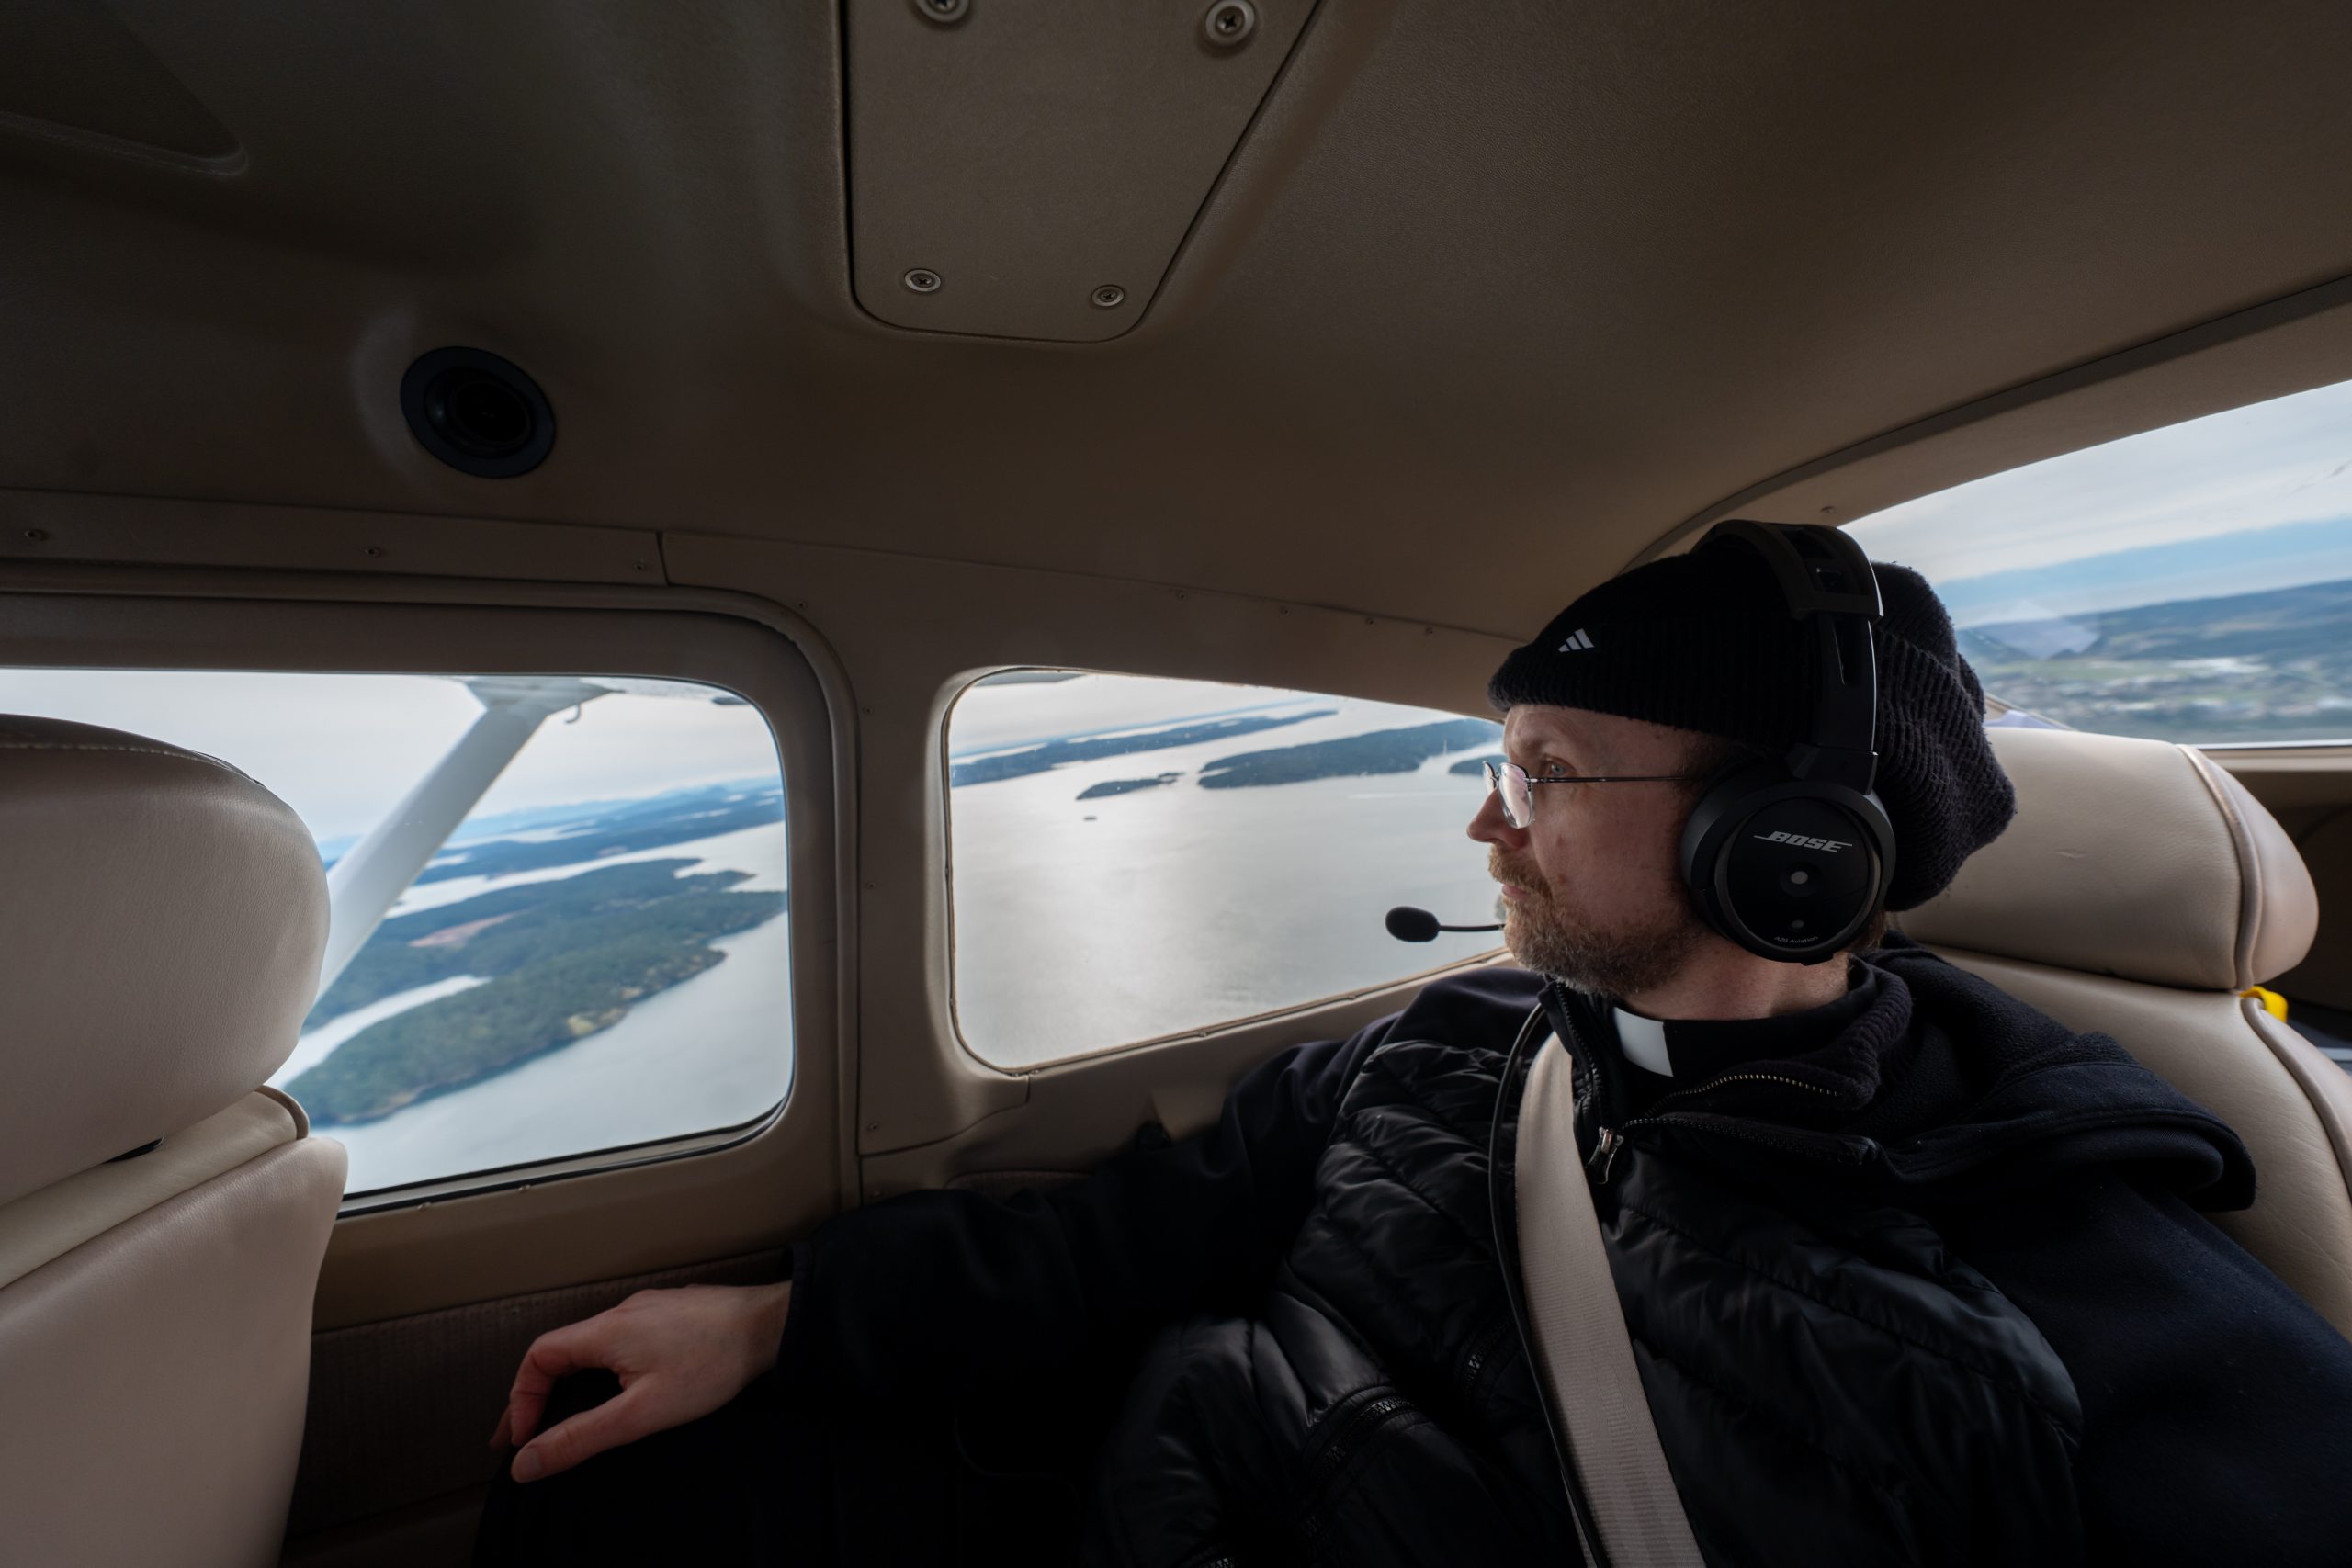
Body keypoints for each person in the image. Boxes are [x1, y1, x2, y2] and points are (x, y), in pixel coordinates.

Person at [476, 527, 2352, 1566]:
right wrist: (777, 1317)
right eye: (1496, 764)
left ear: (1781, 844)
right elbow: (1132, 1232)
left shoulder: (2068, 1262)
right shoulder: (1455, 1041)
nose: (1487, 827)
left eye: (1541, 773)